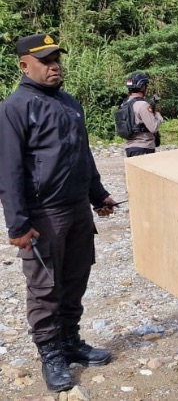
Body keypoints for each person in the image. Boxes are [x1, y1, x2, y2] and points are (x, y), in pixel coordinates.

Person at [0, 33, 117, 392]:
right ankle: (51, 353)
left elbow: (84, 155)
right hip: (43, 215)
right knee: (45, 287)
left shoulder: (69, 103)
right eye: (46, 61)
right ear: (24, 65)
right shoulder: (16, 107)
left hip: (77, 209)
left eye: (56, 60)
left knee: (75, 278)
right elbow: (9, 168)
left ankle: (71, 342)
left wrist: (98, 195)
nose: (55, 66)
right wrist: (17, 223)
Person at [122, 71, 163, 157]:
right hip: (144, 148)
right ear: (142, 87)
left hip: (130, 148)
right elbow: (153, 128)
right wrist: (158, 116)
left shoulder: (124, 104)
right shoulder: (143, 105)